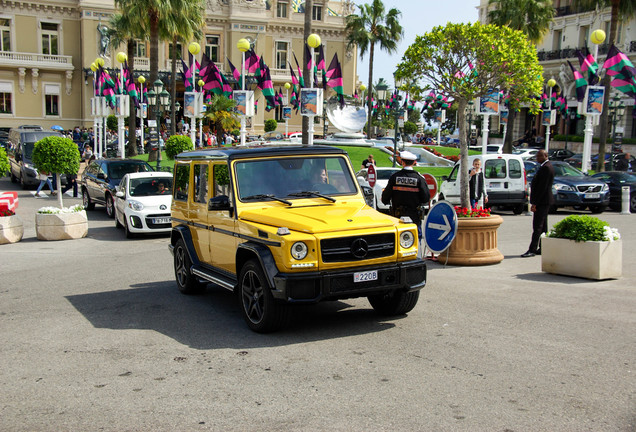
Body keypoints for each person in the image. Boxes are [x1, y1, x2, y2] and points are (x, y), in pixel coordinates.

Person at [381, 151, 431, 241]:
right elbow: (426, 198)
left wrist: (385, 200)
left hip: (397, 215)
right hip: (414, 215)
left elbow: (385, 197)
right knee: (415, 238)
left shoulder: (395, 177)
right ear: (414, 163)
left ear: (402, 162)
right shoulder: (419, 178)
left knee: (397, 238)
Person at [522, 149, 554, 258]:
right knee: (543, 226)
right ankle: (543, 247)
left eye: (539, 156)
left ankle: (532, 249)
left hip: (542, 201)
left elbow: (542, 188)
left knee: (538, 226)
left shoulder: (546, 168)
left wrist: (534, 203)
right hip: (544, 201)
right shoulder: (545, 166)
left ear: (545, 156)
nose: (537, 158)